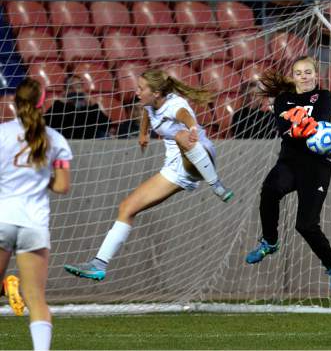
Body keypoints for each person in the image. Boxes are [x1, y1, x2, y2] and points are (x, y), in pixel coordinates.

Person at [63, 69, 233, 281]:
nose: (136, 92)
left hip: (200, 154)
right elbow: (147, 112)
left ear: (157, 93)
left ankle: (217, 185)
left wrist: (192, 128)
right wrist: (143, 133)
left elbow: (185, 115)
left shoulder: (174, 105)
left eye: (141, 88)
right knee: (126, 207)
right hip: (175, 169)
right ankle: (99, 264)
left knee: (180, 135)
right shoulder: (151, 103)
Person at [245, 56, 331, 293]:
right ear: (293, 76)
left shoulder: (324, 96)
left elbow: (319, 123)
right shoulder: (283, 99)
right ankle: (270, 241)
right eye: (299, 73)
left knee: (306, 225)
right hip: (290, 161)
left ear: (316, 74)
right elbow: (285, 132)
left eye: (308, 72)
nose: (304, 77)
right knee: (269, 191)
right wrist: (303, 128)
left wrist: (301, 126)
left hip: (317, 166)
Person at [0, 78, 73, 350]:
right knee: (36, 299)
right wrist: (42, 180)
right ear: (43, 103)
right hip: (34, 224)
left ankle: (7, 285)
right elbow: (63, 186)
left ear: (14, 102)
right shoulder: (55, 139)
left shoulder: (1, 133)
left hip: (2, 218)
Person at [44, 75, 110, 139]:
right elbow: (45, 123)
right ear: (65, 91)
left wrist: (93, 105)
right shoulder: (60, 107)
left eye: (78, 87)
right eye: (70, 88)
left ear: (83, 89)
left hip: (90, 141)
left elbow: (106, 125)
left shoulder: (89, 107)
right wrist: (59, 103)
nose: (75, 91)